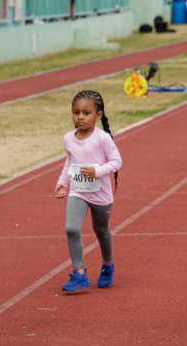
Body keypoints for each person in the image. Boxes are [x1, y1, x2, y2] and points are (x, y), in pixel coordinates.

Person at [55, 90, 123, 293]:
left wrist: (97, 171)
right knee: (71, 229)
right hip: (79, 192)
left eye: (86, 113)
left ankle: (108, 265)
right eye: (76, 113)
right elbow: (70, 162)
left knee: (101, 231)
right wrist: (62, 183)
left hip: (100, 194)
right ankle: (79, 273)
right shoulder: (68, 138)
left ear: (98, 115)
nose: (80, 117)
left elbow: (116, 162)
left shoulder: (102, 139)